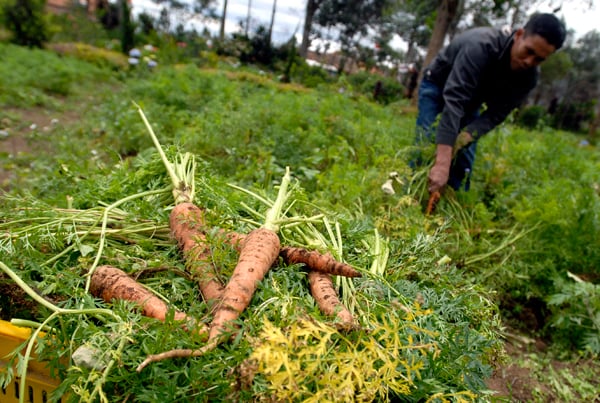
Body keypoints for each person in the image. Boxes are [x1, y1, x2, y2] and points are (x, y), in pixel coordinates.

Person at [414, 13, 566, 193]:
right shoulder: (481, 45)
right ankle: (410, 200)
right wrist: (442, 163)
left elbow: (496, 114)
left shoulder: (529, 78)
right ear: (519, 35)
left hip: (471, 101)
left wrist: (464, 138)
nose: (529, 61)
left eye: (539, 59)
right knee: (426, 147)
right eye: (529, 51)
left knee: (462, 169)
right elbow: (454, 100)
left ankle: (447, 210)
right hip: (438, 85)